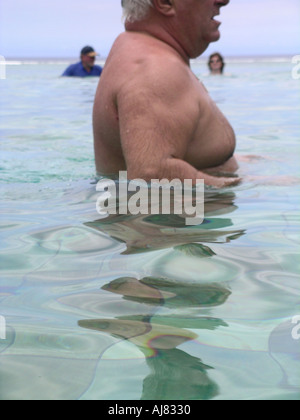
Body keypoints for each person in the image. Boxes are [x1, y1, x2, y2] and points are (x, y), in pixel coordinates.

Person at [93, 0, 240, 188]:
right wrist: (256, 188)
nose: (223, 1)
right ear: (165, 2)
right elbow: (151, 174)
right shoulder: (154, 69)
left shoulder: (137, 48)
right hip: (175, 217)